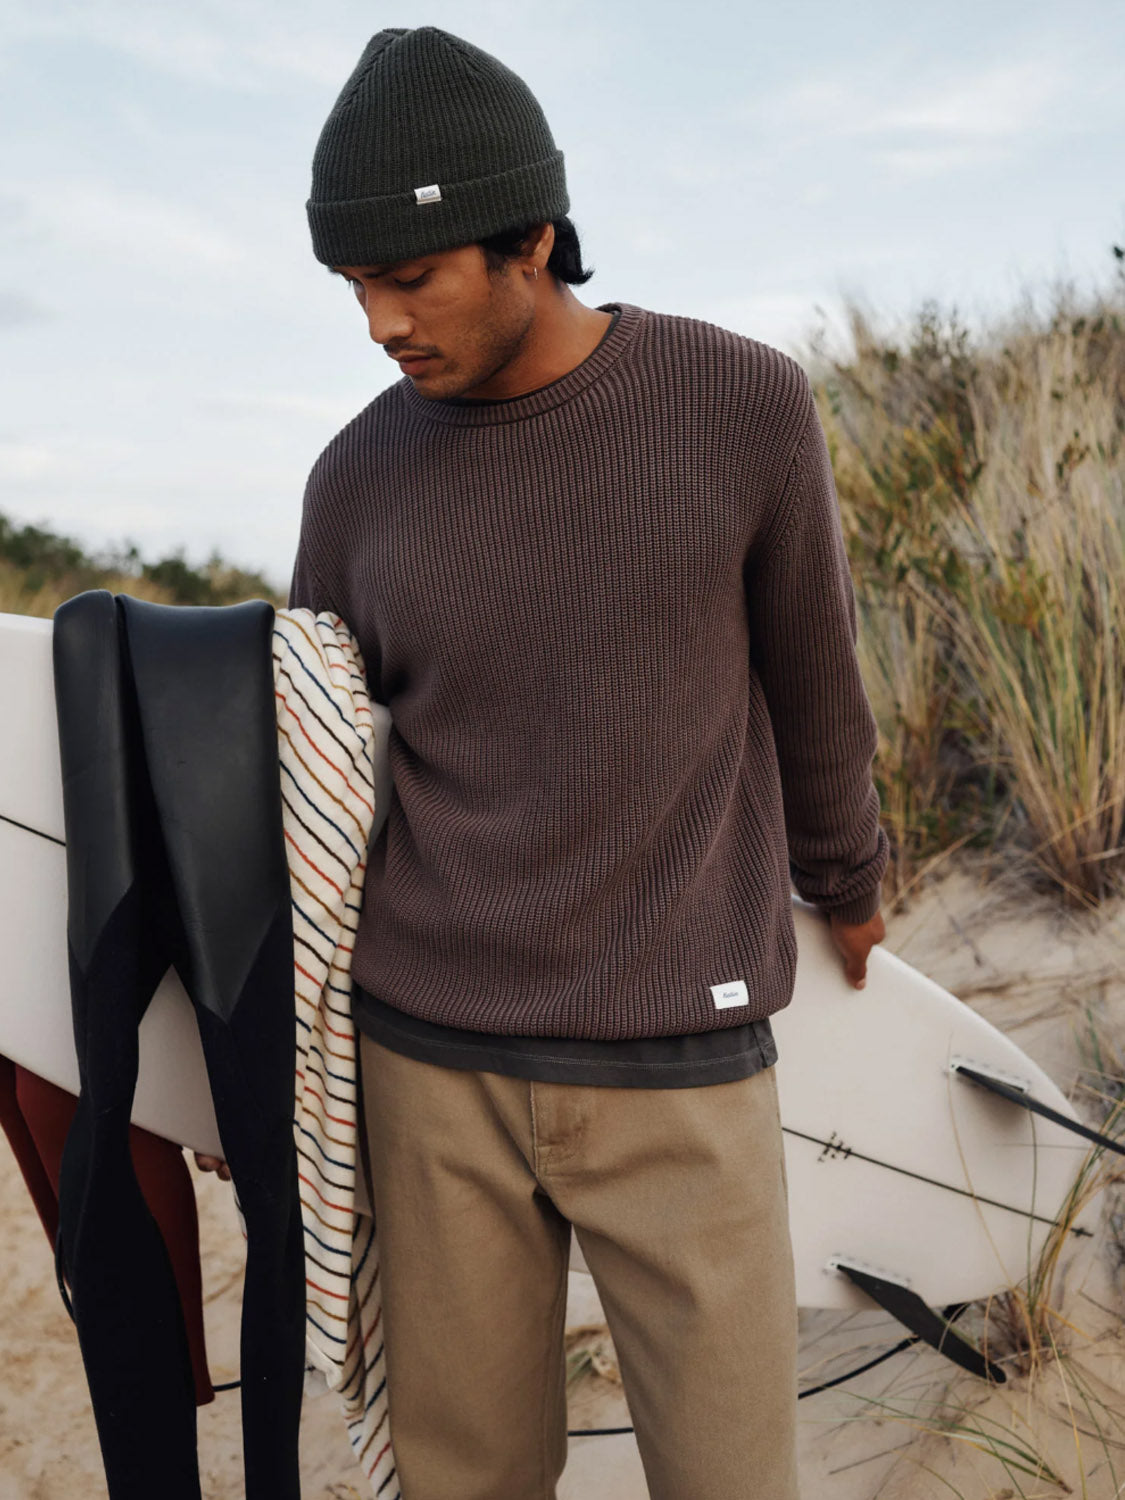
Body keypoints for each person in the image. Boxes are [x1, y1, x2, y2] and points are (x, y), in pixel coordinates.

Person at [206, 24, 890, 1500]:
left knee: (730, 1475)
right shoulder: (355, 474)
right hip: (427, 1064)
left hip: (679, 1054)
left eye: (410, 278)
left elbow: (812, 677)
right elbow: (315, 775)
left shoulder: (740, 404)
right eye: (354, 287)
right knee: (465, 1485)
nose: (381, 324)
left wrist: (847, 879)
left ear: (531, 238)